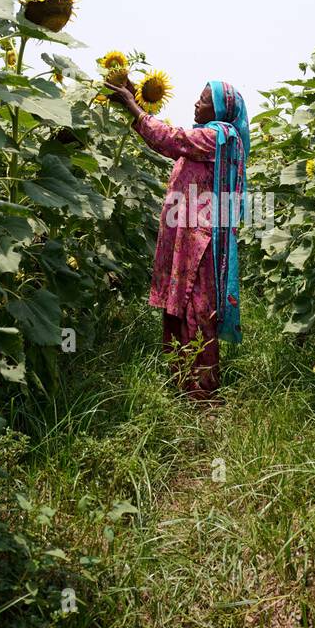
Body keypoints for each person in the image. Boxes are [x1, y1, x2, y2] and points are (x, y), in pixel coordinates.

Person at [107, 79, 249, 400]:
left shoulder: (220, 137)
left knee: (197, 310)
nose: (195, 106)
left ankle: (203, 393)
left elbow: (172, 139)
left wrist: (133, 106)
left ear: (221, 109)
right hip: (187, 239)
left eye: (203, 102)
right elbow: (171, 142)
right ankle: (183, 383)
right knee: (179, 308)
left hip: (202, 245)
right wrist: (139, 102)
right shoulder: (210, 138)